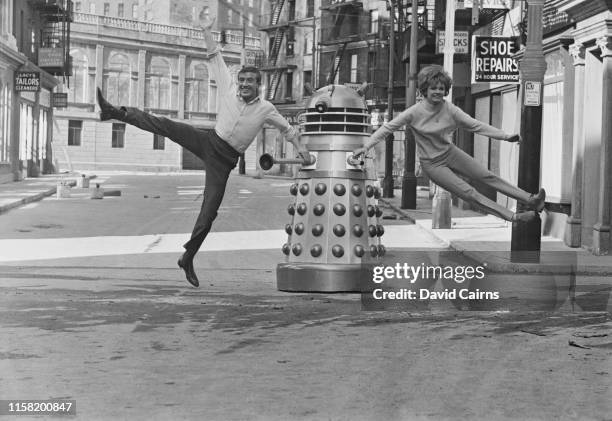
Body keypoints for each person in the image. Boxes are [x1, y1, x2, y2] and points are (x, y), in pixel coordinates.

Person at [96, 15, 310, 287]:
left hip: (224, 162)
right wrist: (207, 29)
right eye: (242, 80)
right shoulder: (228, 87)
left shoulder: (267, 109)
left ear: (259, 85)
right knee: (165, 125)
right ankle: (114, 111)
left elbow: (288, 131)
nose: (244, 85)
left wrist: (302, 150)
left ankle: (188, 257)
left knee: (209, 212)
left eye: (249, 82)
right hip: (208, 141)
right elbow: (214, 55)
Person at [353, 64, 545, 223]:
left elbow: (475, 125)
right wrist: (366, 146)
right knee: (469, 193)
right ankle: (513, 217)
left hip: (450, 152)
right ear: (424, 90)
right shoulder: (413, 112)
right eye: (434, 88)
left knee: (487, 176)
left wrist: (505, 136)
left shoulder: (450, 109)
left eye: (442, 89)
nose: (438, 92)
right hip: (432, 164)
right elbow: (387, 128)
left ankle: (531, 200)